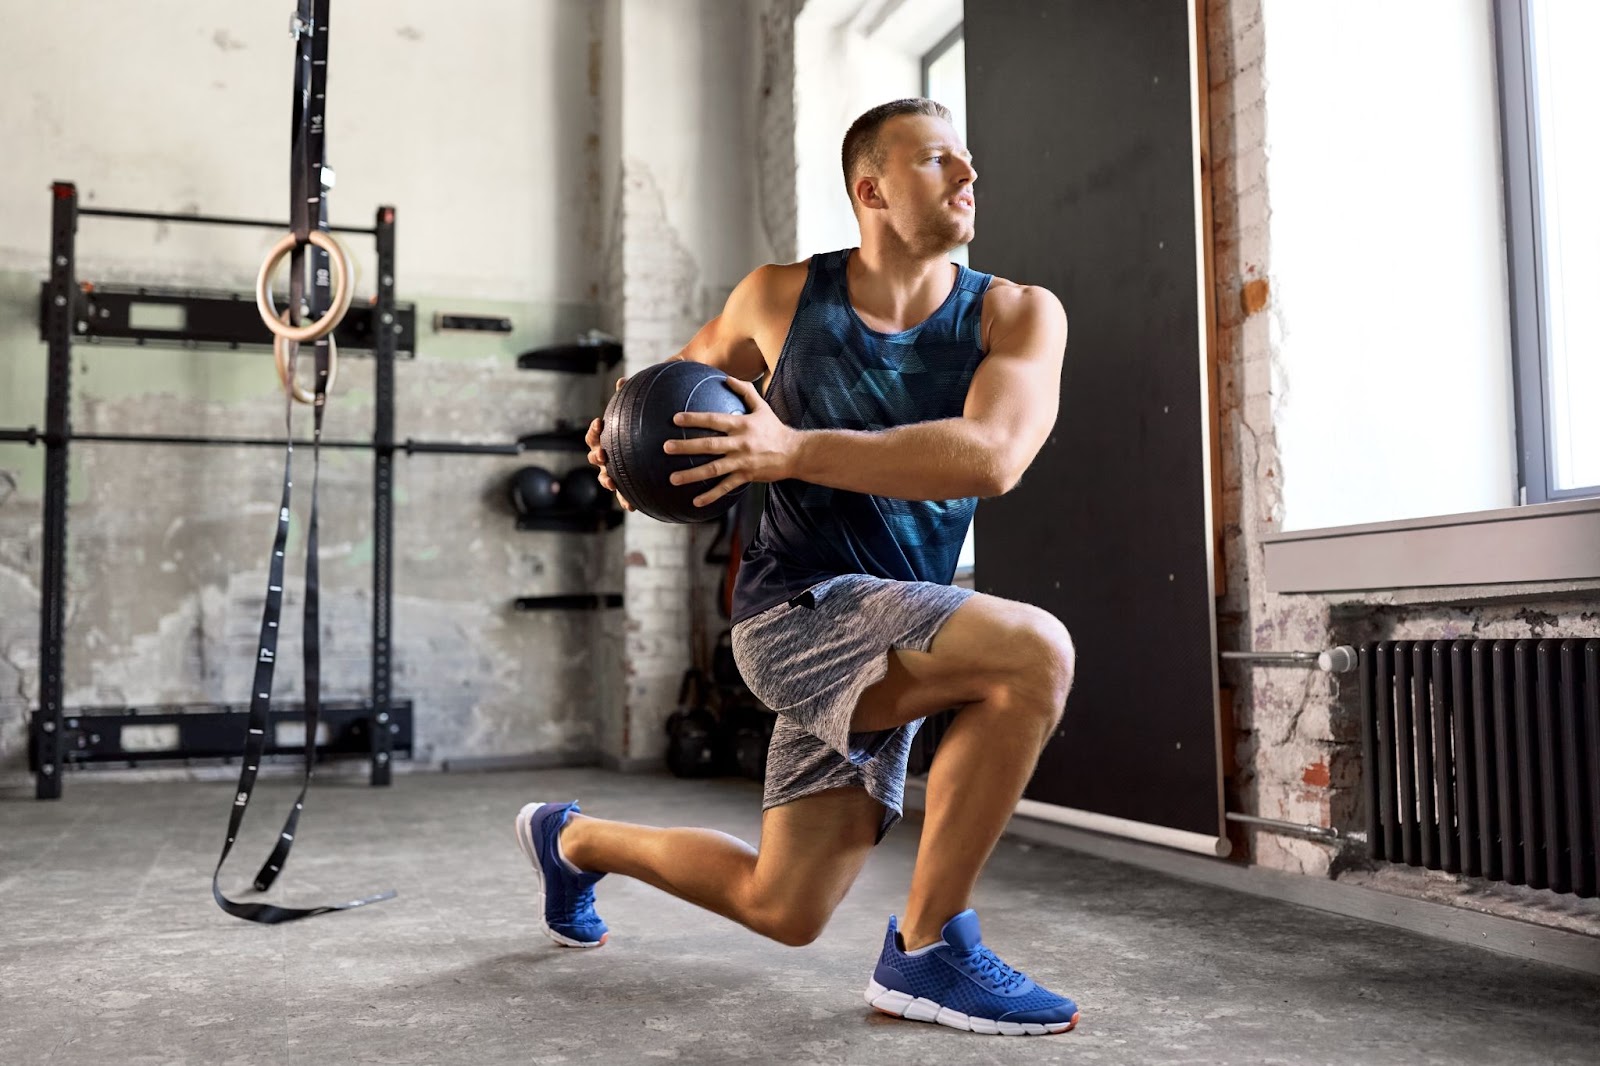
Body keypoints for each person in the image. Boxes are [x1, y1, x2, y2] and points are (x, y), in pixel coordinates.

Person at [515, 98, 1079, 1037]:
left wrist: (792, 450)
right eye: (939, 161)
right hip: (795, 619)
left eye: (968, 160)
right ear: (872, 188)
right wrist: (620, 449)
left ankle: (570, 839)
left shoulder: (1015, 315)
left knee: (785, 905)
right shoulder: (780, 300)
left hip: (903, 625)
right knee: (1035, 654)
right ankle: (931, 951)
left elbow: (993, 456)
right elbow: (667, 396)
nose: (969, 177)